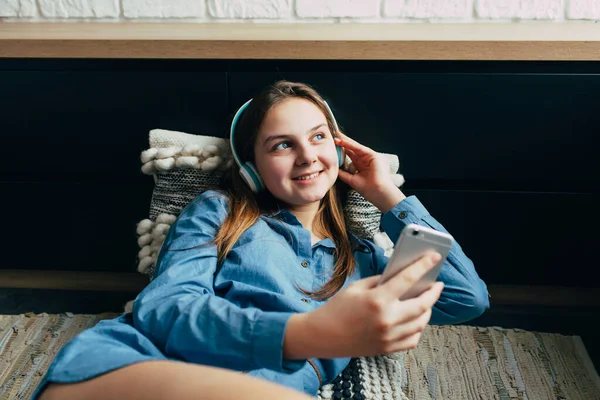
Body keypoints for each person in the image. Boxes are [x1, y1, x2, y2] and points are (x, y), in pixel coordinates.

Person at [35, 81, 489, 400]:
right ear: (251, 167)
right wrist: (306, 334)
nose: (308, 155)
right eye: (281, 145)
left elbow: (466, 299)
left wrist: (387, 194)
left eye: (318, 138)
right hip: (137, 369)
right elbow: (164, 308)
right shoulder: (220, 211)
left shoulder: (364, 256)